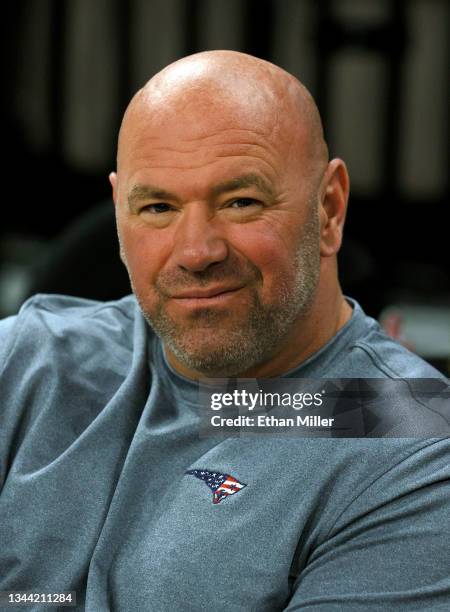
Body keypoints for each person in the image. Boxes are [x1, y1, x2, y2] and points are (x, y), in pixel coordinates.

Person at [0, 50, 449, 611]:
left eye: (241, 201)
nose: (196, 252)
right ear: (117, 211)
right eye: (158, 207)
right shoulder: (28, 359)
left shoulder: (415, 445)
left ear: (329, 209)